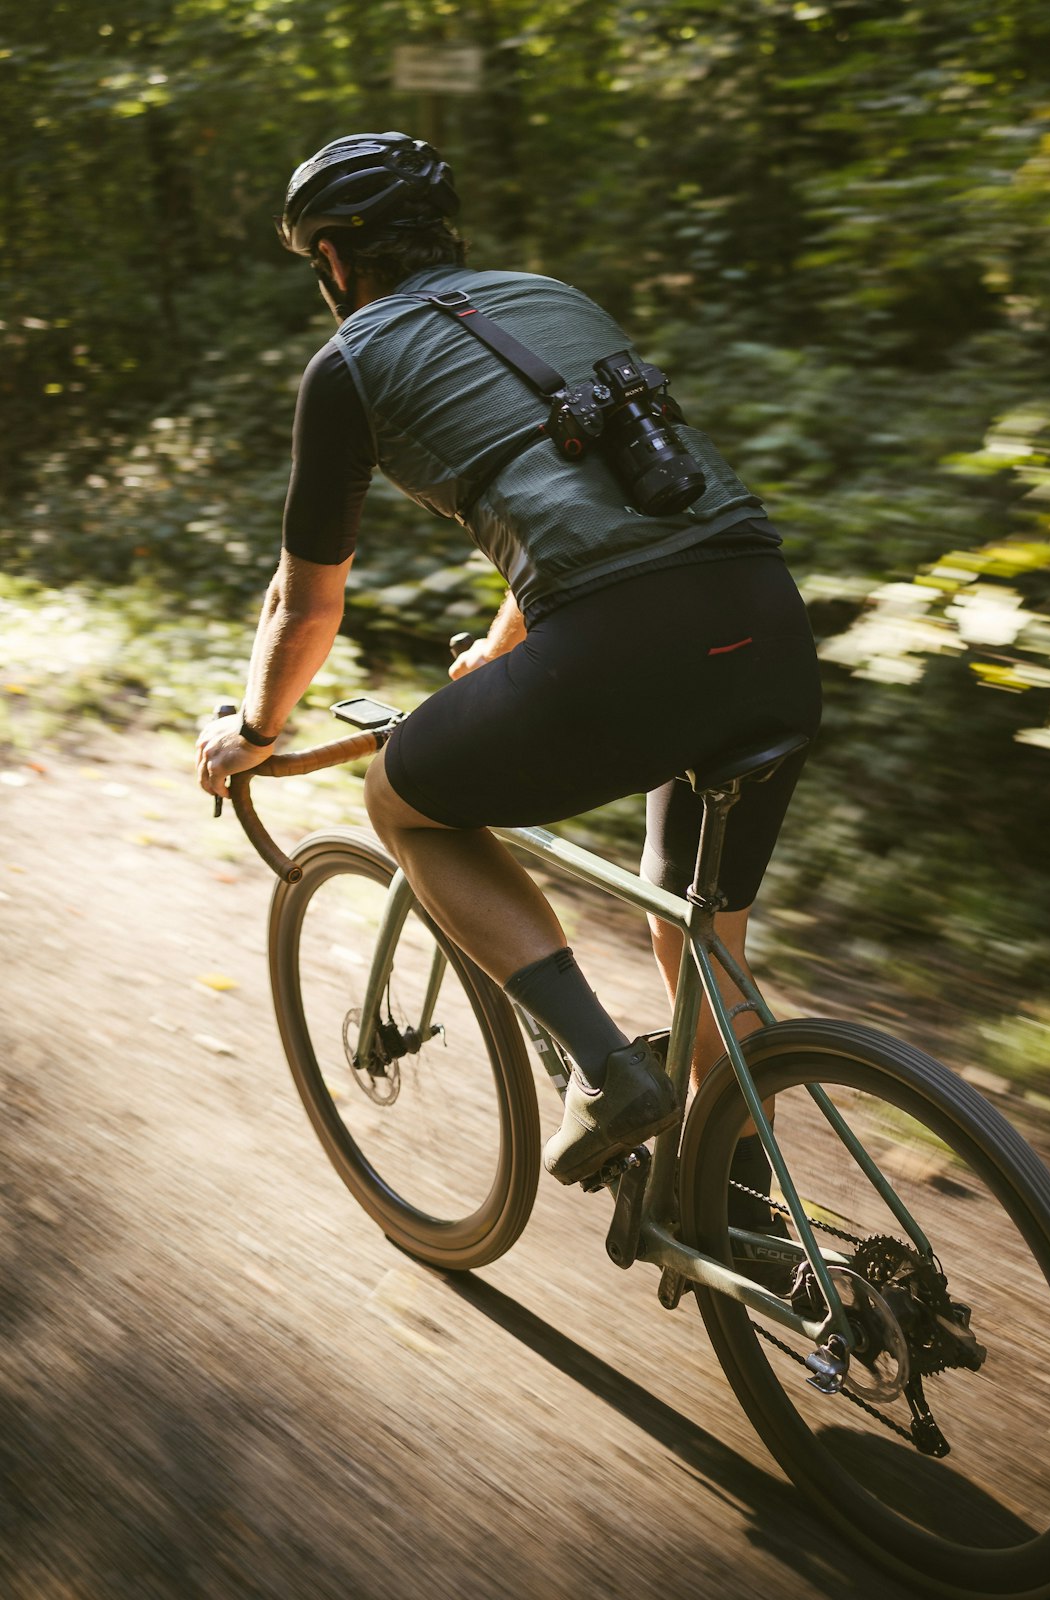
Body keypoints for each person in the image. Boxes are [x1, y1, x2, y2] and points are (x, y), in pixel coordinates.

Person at [196, 131, 821, 1200]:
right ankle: (754, 1217)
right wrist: (500, 648)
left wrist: (252, 732)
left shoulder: (350, 363)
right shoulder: (552, 299)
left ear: (335, 259)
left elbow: (307, 602)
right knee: (700, 943)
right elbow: (605, 501)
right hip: (765, 623)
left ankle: (606, 1072)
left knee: (403, 801)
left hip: (622, 650)